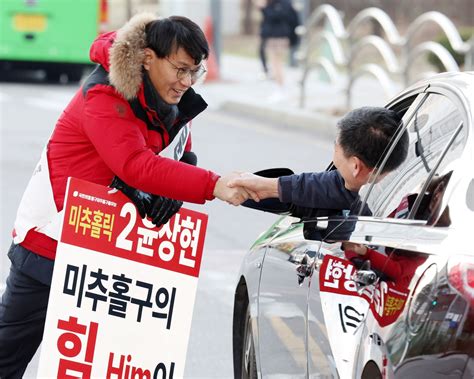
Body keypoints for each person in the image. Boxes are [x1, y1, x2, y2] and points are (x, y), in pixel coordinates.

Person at [0, 14, 255, 378]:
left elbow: (180, 152)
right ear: (148, 58)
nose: (186, 82)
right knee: (8, 354)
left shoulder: (167, 97)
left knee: (108, 360)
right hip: (53, 242)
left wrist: (175, 191)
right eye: (180, 69)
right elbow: (135, 164)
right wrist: (212, 185)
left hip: (114, 249)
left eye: (194, 73)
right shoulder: (104, 95)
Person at [229, 106, 409, 215]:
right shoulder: (404, 187)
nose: (334, 150)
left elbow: (328, 190)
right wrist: (268, 186)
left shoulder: (361, 213)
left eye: (336, 146)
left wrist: (266, 186)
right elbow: (324, 187)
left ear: (355, 166)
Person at [260, 0, 297, 99]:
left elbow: (273, 17)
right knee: (277, 64)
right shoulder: (285, 3)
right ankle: (280, 88)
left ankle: (280, 89)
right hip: (280, 36)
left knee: (276, 64)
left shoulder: (279, 4)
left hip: (276, 37)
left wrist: (264, 8)